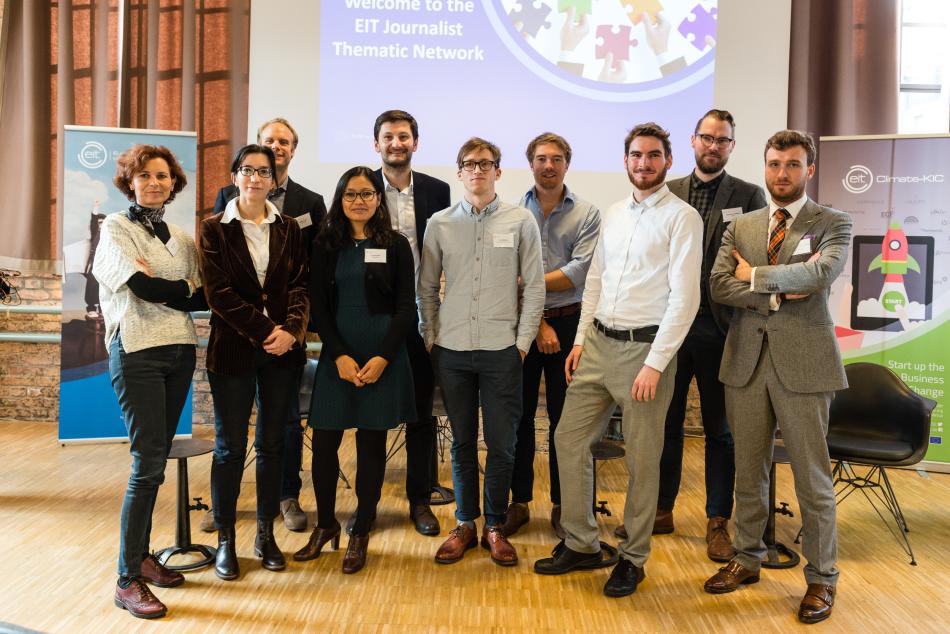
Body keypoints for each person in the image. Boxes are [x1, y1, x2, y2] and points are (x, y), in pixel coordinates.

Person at [533, 123, 702, 599]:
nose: (643, 163)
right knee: (568, 440)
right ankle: (583, 543)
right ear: (625, 161)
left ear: (667, 161)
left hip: (645, 352)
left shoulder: (682, 217)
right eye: (635, 155)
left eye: (652, 156)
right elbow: (597, 281)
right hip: (599, 345)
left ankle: (632, 558)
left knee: (643, 461)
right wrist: (582, 340)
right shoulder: (614, 213)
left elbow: (685, 299)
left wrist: (656, 363)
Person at [704, 130, 851, 625]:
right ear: (763, 167)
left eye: (791, 165)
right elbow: (719, 285)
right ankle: (747, 558)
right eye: (773, 164)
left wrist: (755, 275)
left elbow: (819, 276)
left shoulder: (834, 222)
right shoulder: (742, 225)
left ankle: (822, 578)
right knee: (749, 470)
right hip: (745, 360)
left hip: (805, 364)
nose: (781, 174)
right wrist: (772, 289)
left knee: (812, 477)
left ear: (809, 169)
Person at [628, 109, 766, 560]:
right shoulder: (668, 191)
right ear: (691, 142)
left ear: (730, 146)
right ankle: (663, 508)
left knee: (719, 429)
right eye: (706, 138)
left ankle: (717, 520)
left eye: (722, 140)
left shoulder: (748, 196)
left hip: (719, 327)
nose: (713, 146)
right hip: (669, 324)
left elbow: (752, 258)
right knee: (664, 422)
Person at [418, 137, 545, 567]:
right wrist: (431, 334)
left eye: (485, 163)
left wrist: (523, 343)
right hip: (451, 349)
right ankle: (466, 523)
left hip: (501, 351)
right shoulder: (439, 223)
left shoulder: (521, 220)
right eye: (469, 164)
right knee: (461, 443)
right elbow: (426, 286)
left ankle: (494, 524)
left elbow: (535, 288)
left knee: (503, 443)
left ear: (498, 171)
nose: (477, 170)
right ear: (459, 172)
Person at [94, 144, 206, 619]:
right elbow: (140, 288)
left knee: (157, 460)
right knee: (146, 464)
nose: (155, 182)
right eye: (145, 175)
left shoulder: (181, 238)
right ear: (130, 181)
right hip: (135, 350)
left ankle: (142, 556)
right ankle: (126, 579)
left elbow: (194, 298)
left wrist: (172, 289)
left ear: (174, 183)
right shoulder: (114, 228)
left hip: (179, 351)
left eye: (163, 175)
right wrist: (171, 288)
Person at [202, 117, 327, 533]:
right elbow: (217, 292)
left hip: (284, 349)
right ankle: (224, 531)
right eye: (249, 169)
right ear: (237, 175)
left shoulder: (296, 219)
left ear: (275, 177)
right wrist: (265, 331)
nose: (256, 177)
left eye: (264, 170)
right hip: (235, 348)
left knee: (278, 437)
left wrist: (291, 331)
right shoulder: (214, 223)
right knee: (230, 446)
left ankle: (272, 519)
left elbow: (302, 281)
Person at [293, 166, 416, 574]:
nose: (359, 201)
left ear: (378, 199)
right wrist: (340, 355)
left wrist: (383, 357)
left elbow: (404, 307)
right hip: (339, 353)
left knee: (370, 443)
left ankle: (362, 525)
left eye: (366, 194)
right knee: (325, 440)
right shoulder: (326, 244)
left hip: (383, 354)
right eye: (350, 194)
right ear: (340, 199)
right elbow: (320, 308)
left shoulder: (396, 245)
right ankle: (325, 524)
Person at [502, 132, 600, 540]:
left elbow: (580, 270)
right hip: (522, 324)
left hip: (570, 324)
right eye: (541, 158)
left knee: (568, 421)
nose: (548, 165)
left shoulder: (588, 214)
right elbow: (506, 272)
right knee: (519, 417)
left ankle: (567, 505)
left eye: (556, 158)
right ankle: (519, 502)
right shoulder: (509, 212)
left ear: (566, 164)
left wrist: (532, 289)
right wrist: (537, 320)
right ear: (531, 164)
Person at [372, 109, 452, 537]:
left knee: (421, 412)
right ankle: (369, 503)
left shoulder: (438, 191)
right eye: (388, 137)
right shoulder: (360, 187)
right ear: (377, 144)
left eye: (404, 136)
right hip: (375, 317)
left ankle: (420, 499)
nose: (396, 143)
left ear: (415, 143)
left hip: (422, 316)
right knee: (373, 412)